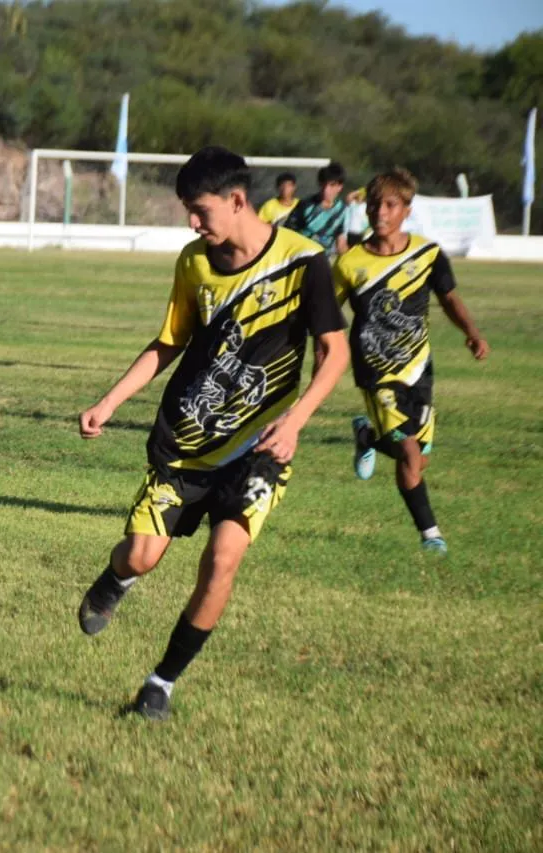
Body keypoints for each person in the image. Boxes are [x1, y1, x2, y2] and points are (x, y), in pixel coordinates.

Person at [76, 146, 348, 721]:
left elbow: (334, 352)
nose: (192, 224)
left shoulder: (305, 261)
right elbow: (168, 342)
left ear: (238, 200)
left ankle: (160, 684)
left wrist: (295, 420)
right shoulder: (194, 263)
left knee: (224, 559)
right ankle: (115, 578)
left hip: (259, 451)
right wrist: (109, 401)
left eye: (199, 211)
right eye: (187, 212)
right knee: (142, 557)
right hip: (187, 443)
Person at [332, 167, 489, 556]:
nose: (380, 212)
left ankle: (367, 436)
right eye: (374, 204)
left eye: (390, 205)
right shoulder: (350, 263)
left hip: (418, 369)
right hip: (376, 373)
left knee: (421, 460)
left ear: (407, 209)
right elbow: (325, 314)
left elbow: (450, 299)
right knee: (409, 455)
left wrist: (472, 332)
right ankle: (430, 534)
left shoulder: (428, 254)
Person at [284, 161, 350, 258]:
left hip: (324, 260)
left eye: (331, 185)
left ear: (339, 187)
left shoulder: (342, 210)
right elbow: (287, 234)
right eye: (324, 184)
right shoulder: (305, 206)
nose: (326, 189)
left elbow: (341, 244)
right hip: (301, 258)